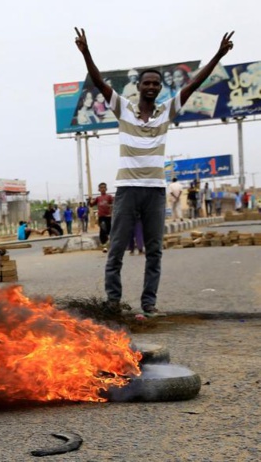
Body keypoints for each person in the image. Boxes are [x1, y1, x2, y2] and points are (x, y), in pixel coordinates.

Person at [75, 27, 234, 316]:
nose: (151, 87)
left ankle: (149, 303)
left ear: (159, 88)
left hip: (155, 192)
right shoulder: (122, 109)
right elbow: (99, 82)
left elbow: (195, 84)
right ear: (139, 86)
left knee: (155, 251)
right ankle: (113, 303)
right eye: (147, 82)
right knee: (117, 249)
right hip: (127, 189)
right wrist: (86, 52)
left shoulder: (166, 111)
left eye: (155, 84)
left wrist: (218, 55)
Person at [88, 182, 114, 251]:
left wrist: (110, 206)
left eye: (104, 187)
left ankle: (108, 242)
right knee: (103, 230)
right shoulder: (98, 198)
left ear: (106, 189)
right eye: (101, 188)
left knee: (108, 230)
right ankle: (104, 245)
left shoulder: (109, 197)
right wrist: (89, 201)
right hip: (101, 217)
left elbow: (114, 204)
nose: (102, 189)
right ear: (99, 189)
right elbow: (91, 205)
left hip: (108, 216)